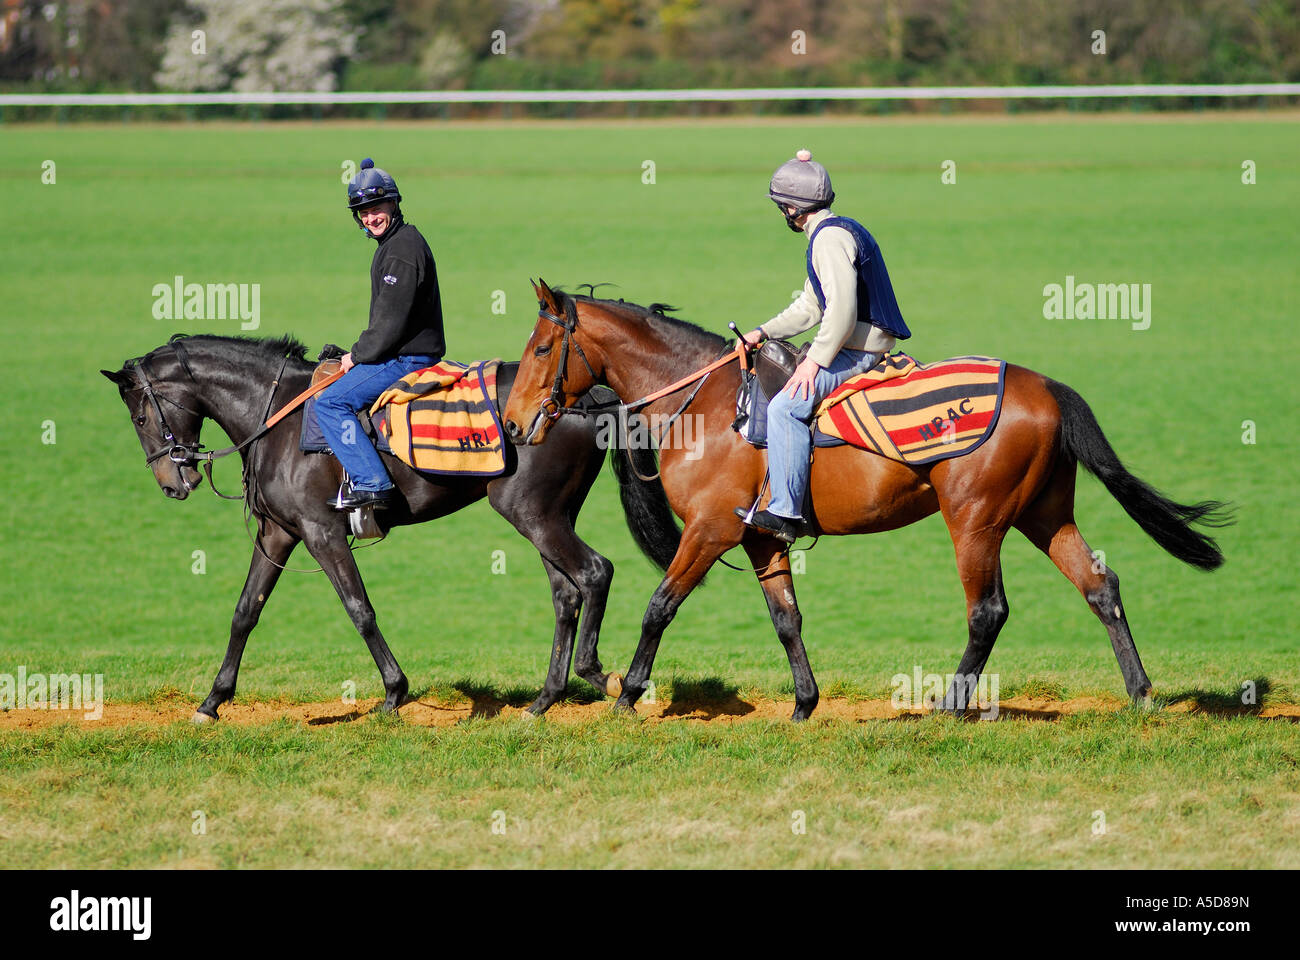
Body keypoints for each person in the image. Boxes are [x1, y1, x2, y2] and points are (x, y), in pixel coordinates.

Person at [734, 149, 912, 543]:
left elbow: (843, 312)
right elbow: (812, 306)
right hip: (855, 344)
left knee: (785, 406)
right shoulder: (835, 231)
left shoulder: (828, 240)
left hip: (859, 352)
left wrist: (813, 363)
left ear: (793, 209)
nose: (782, 214)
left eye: (782, 207)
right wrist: (762, 332)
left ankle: (784, 511)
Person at [317, 158, 446, 509]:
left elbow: (390, 323)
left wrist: (356, 355)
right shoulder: (395, 243)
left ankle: (372, 482)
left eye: (376, 208)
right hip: (400, 353)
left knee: (329, 402)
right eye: (362, 212)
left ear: (394, 203)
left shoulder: (403, 249)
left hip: (407, 360)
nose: (370, 217)